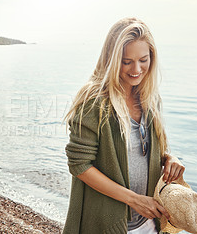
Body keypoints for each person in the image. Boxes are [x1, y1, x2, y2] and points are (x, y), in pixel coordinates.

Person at [62, 17, 185, 234]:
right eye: (126, 61)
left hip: (149, 223)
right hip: (108, 225)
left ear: (152, 58)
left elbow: (142, 151)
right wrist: (135, 200)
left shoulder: (150, 99)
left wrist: (169, 159)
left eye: (143, 60)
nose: (136, 69)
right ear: (111, 59)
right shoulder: (94, 102)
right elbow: (79, 164)